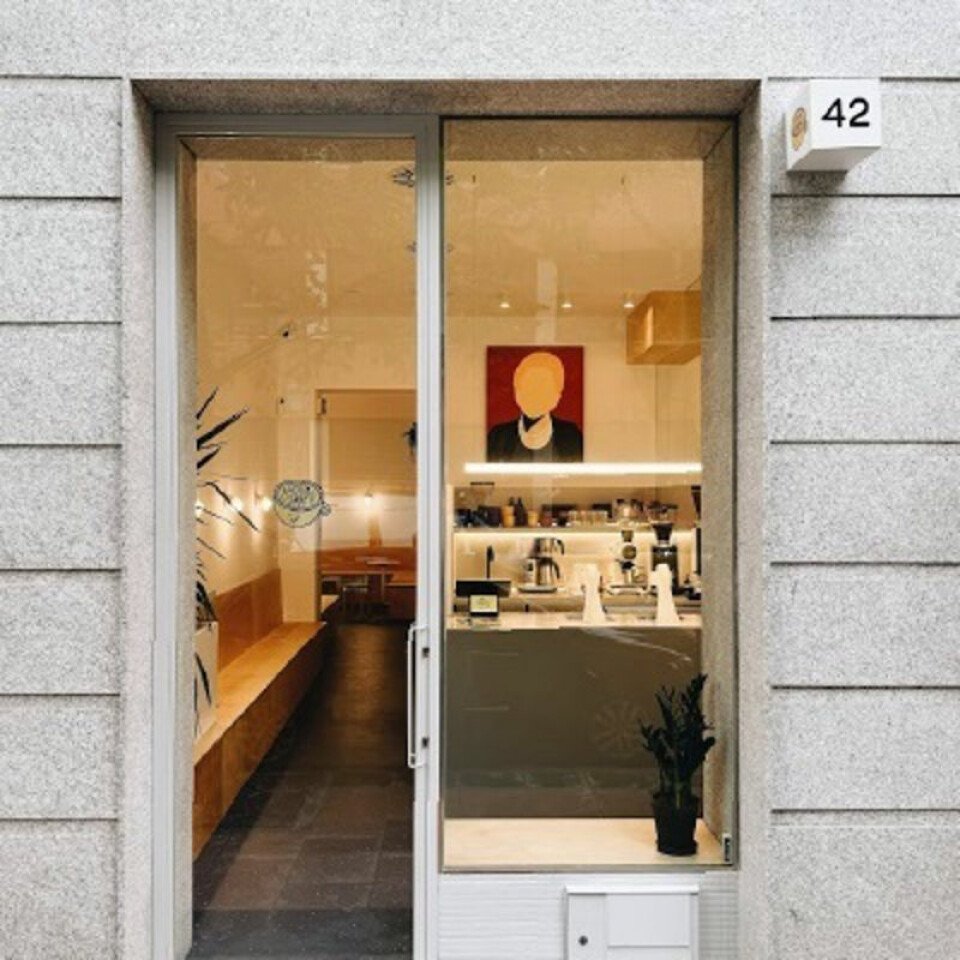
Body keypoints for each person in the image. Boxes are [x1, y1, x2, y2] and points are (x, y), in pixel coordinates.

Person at [487, 351, 583, 462]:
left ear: (557, 395)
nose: (535, 394)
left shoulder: (571, 436)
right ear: (517, 392)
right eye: (529, 385)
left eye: (543, 386)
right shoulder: (498, 437)